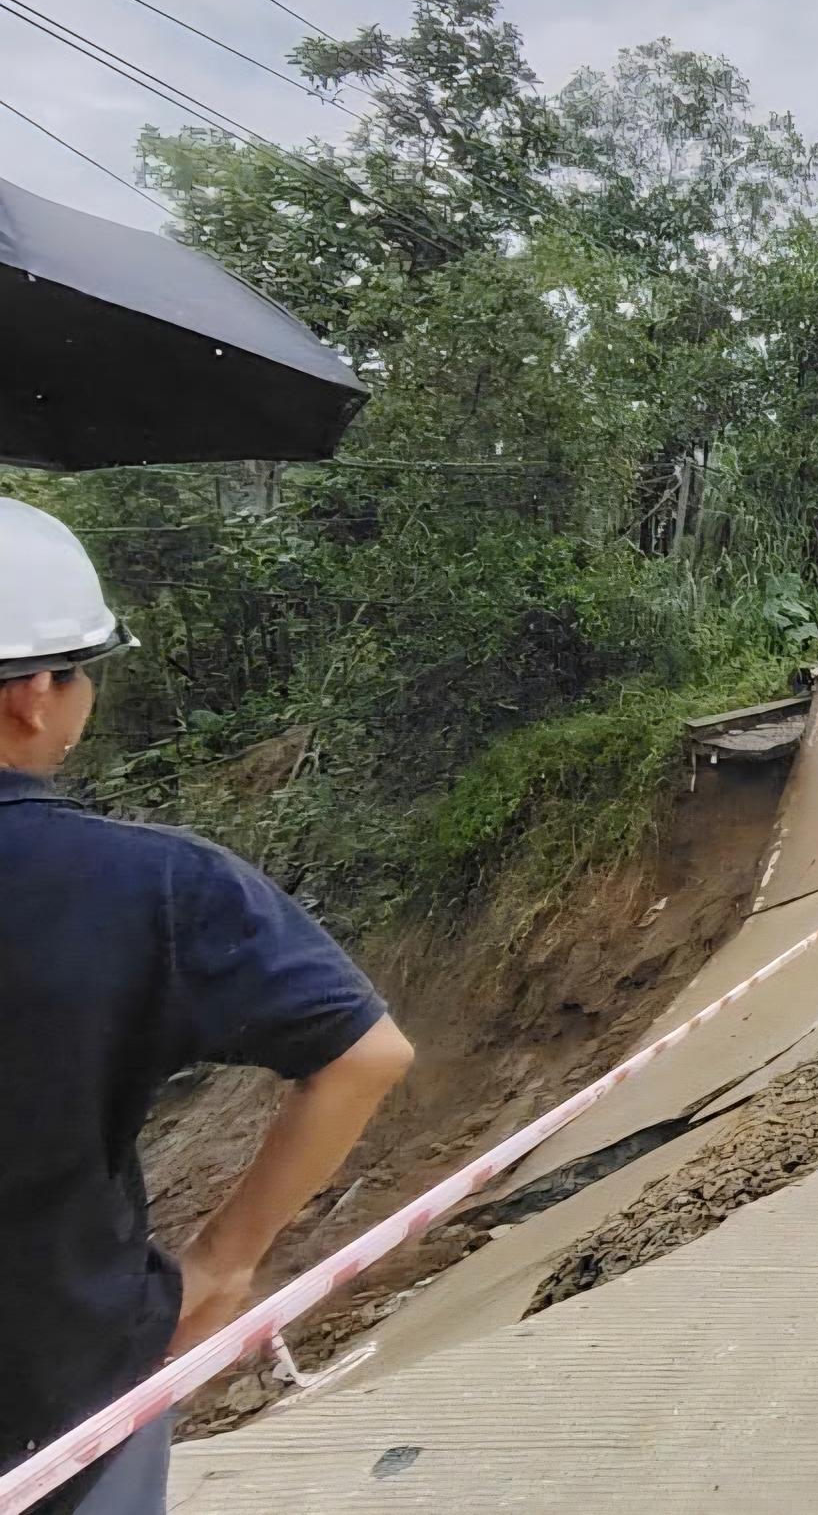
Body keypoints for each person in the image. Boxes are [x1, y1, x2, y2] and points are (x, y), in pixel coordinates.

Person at [0, 498, 413, 1514]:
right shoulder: (150, 887)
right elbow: (363, 1054)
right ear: (36, 694)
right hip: (68, 1397)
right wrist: (223, 1266)